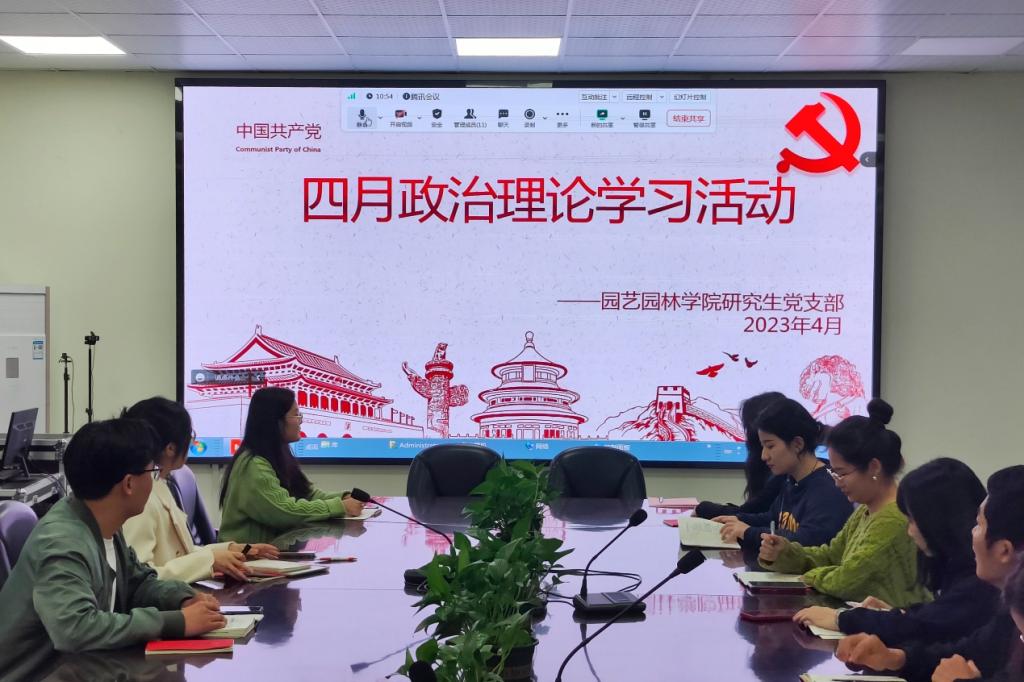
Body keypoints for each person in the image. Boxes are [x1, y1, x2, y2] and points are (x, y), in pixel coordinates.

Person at [0, 418, 226, 681]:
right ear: (129, 484)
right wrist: (175, 622)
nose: (154, 480)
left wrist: (182, 599)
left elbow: (138, 583)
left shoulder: (104, 522)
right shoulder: (62, 542)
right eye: (152, 472)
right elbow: (75, 629)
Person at [835, 465, 1024, 682]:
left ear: (1004, 551)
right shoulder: (1007, 614)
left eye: (979, 525)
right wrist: (896, 658)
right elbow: (968, 652)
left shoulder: (983, 592)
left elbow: (924, 627)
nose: (971, 532)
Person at [793, 458, 999, 644]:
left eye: (912, 520)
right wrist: (897, 613)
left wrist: (841, 619)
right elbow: (935, 617)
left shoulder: (981, 578)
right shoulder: (955, 566)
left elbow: (925, 626)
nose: (909, 531)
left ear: (937, 521)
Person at [758, 399, 929, 607]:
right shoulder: (865, 509)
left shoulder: (894, 518)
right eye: (834, 473)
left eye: (842, 473)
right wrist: (785, 553)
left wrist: (809, 577)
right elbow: (831, 555)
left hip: (894, 624)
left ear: (874, 467)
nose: (837, 482)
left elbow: (847, 580)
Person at [121, 397, 279, 583]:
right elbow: (140, 576)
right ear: (170, 448)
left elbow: (182, 553)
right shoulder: (141, 496)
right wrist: (211, 561)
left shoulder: (159, 483)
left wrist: (230, 550)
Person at [218, 387, 364, 543]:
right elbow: (285, 512)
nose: (300, 421)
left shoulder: (278, 454)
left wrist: (343, 497)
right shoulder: (253, 465)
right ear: (275, 420)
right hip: (247, 555)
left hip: (272, 550)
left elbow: (306, 494)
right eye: (296, 414)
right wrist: (340, 506)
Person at [713, 398, 853, 551]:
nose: (764, 456)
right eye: (763, 446)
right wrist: (736, 520)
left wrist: (747, 532)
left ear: (797, 444)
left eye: (770, 446)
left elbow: (808, 541)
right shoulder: (792, 480)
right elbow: (773, 518)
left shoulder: (828, 489)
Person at [695, 391, 787, 520]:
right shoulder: (769, 470)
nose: (764, 455)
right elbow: (753, 513)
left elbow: (750, 514)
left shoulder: (783, 475)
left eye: (770, 445)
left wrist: (702, 508)